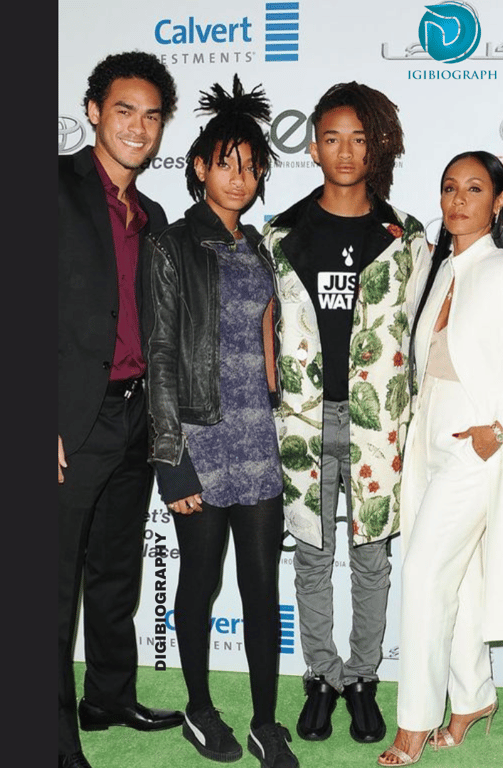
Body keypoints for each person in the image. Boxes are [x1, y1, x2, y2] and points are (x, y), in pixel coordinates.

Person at [262, 82, 429, 746]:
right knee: (309, 556)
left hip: (375, 424)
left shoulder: (404, 236)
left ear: (376, 145)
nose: (346, 151)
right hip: (303, 421)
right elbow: (264, 327)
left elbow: (422, 332)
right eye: (332, 137)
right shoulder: (282, 234)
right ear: (313, 146)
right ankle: (321, 677)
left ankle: (363, 679)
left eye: (360, 137)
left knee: (370, 558)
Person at [140, 75, 298, 768]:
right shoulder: (170, 245)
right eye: (225, 162)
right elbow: (161, 355)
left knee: (263, 587)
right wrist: (171, 461)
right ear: (199, 168)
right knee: (199, 586)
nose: (240, 175)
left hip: (257, 441)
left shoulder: (260, 246)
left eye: (251, 164)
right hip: (199, 444)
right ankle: (201, 709)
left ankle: (266, 720)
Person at [377, 151, 503, 766]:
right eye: (449, 187)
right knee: (460, 579)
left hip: (476, 446)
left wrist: (499, 430)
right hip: (425, 440)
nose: (457, 200)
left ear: (499, 201)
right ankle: (473, 696)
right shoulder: (435, 266)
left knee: (425, 575)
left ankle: (414, 724)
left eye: (474, 189)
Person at [58, 51, 182, 768]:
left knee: (113, 572)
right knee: (54, 585)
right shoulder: (52, 186)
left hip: (135, 417)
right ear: (95, 111)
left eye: (152, 115)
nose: (138, 127)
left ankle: (107, 695)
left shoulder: (151, 213)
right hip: (72, 419)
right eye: (124, 111)